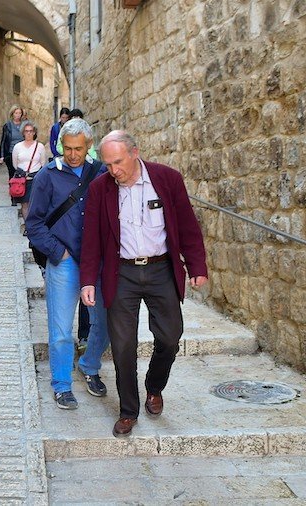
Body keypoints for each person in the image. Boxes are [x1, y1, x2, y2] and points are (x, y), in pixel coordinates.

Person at [80, 130, 208, 437]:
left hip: (161, 269)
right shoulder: (101, 188)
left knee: (170, 337)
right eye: (107, 164)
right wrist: (87, 280)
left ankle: (155, 386)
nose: (113, 170)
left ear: (135, 153)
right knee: (123, 346)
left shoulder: (168, 179)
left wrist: (196, 265)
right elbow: (92, 238)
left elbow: (188, 225)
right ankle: (128, 411)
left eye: (118, 162)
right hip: (121, 273)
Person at [26, 119, 109, 410]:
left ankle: (89, 365)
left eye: (79, 148)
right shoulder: (47, 176)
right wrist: (57, 252)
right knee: (61, 330)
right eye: (68, 148)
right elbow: (33, 224)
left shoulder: (101, 173)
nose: (73, 154)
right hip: (64, 262)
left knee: (106, 323)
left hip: (97, 262)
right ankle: (61, 384)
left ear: (90, 146)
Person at [11, 120, 45, 223]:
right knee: (24, 204)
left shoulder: (40, 147)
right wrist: (22, 173)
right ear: (23, 132)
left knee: (34, 203)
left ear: (34, 132)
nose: (29, 133)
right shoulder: (17, 147)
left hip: (35, 178)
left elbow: (43, 164)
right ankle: (28, 225)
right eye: (26, 131)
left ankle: (34, 223)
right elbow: (15, 163)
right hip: (22, 180)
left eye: (31, 131)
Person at [0, 105, 26, 206]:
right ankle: (14, 196)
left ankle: (22, 194)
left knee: (22, 174)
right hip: (10, 153)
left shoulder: (24, 125)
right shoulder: (7, 126)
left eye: (19, 113)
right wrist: (1, 155)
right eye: (16, 113)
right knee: (12, 174)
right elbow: (3, 141)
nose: (18, 115)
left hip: (22, 153)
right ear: (12, 114)